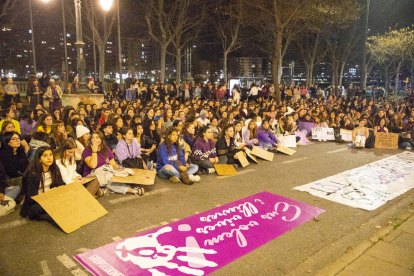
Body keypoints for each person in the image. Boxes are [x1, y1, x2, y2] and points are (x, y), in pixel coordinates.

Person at [83, 131, 144, 195]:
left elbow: (113, 164)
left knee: (124, 173)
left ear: (101, 139)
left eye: (97, 137)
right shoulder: (87, 151)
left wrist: (118, 168)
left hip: (106, 172)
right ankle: (132, 190)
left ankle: (105, 189)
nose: (95, 140)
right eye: (92, 138)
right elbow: (93, 165)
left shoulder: (106, 149)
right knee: (108, 180)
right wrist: (94, 151)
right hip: (92, 174)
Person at [20, 147, 65, 221]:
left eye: (51, 155)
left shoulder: (54, 168)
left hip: (52, 197)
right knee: (50, 208)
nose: (49, 158)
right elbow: (30, 198)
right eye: (45, 156)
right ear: (39, 159)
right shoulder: (32, 173)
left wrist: (58, 190)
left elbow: (61, 184)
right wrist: (48, 196)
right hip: (37, 202)